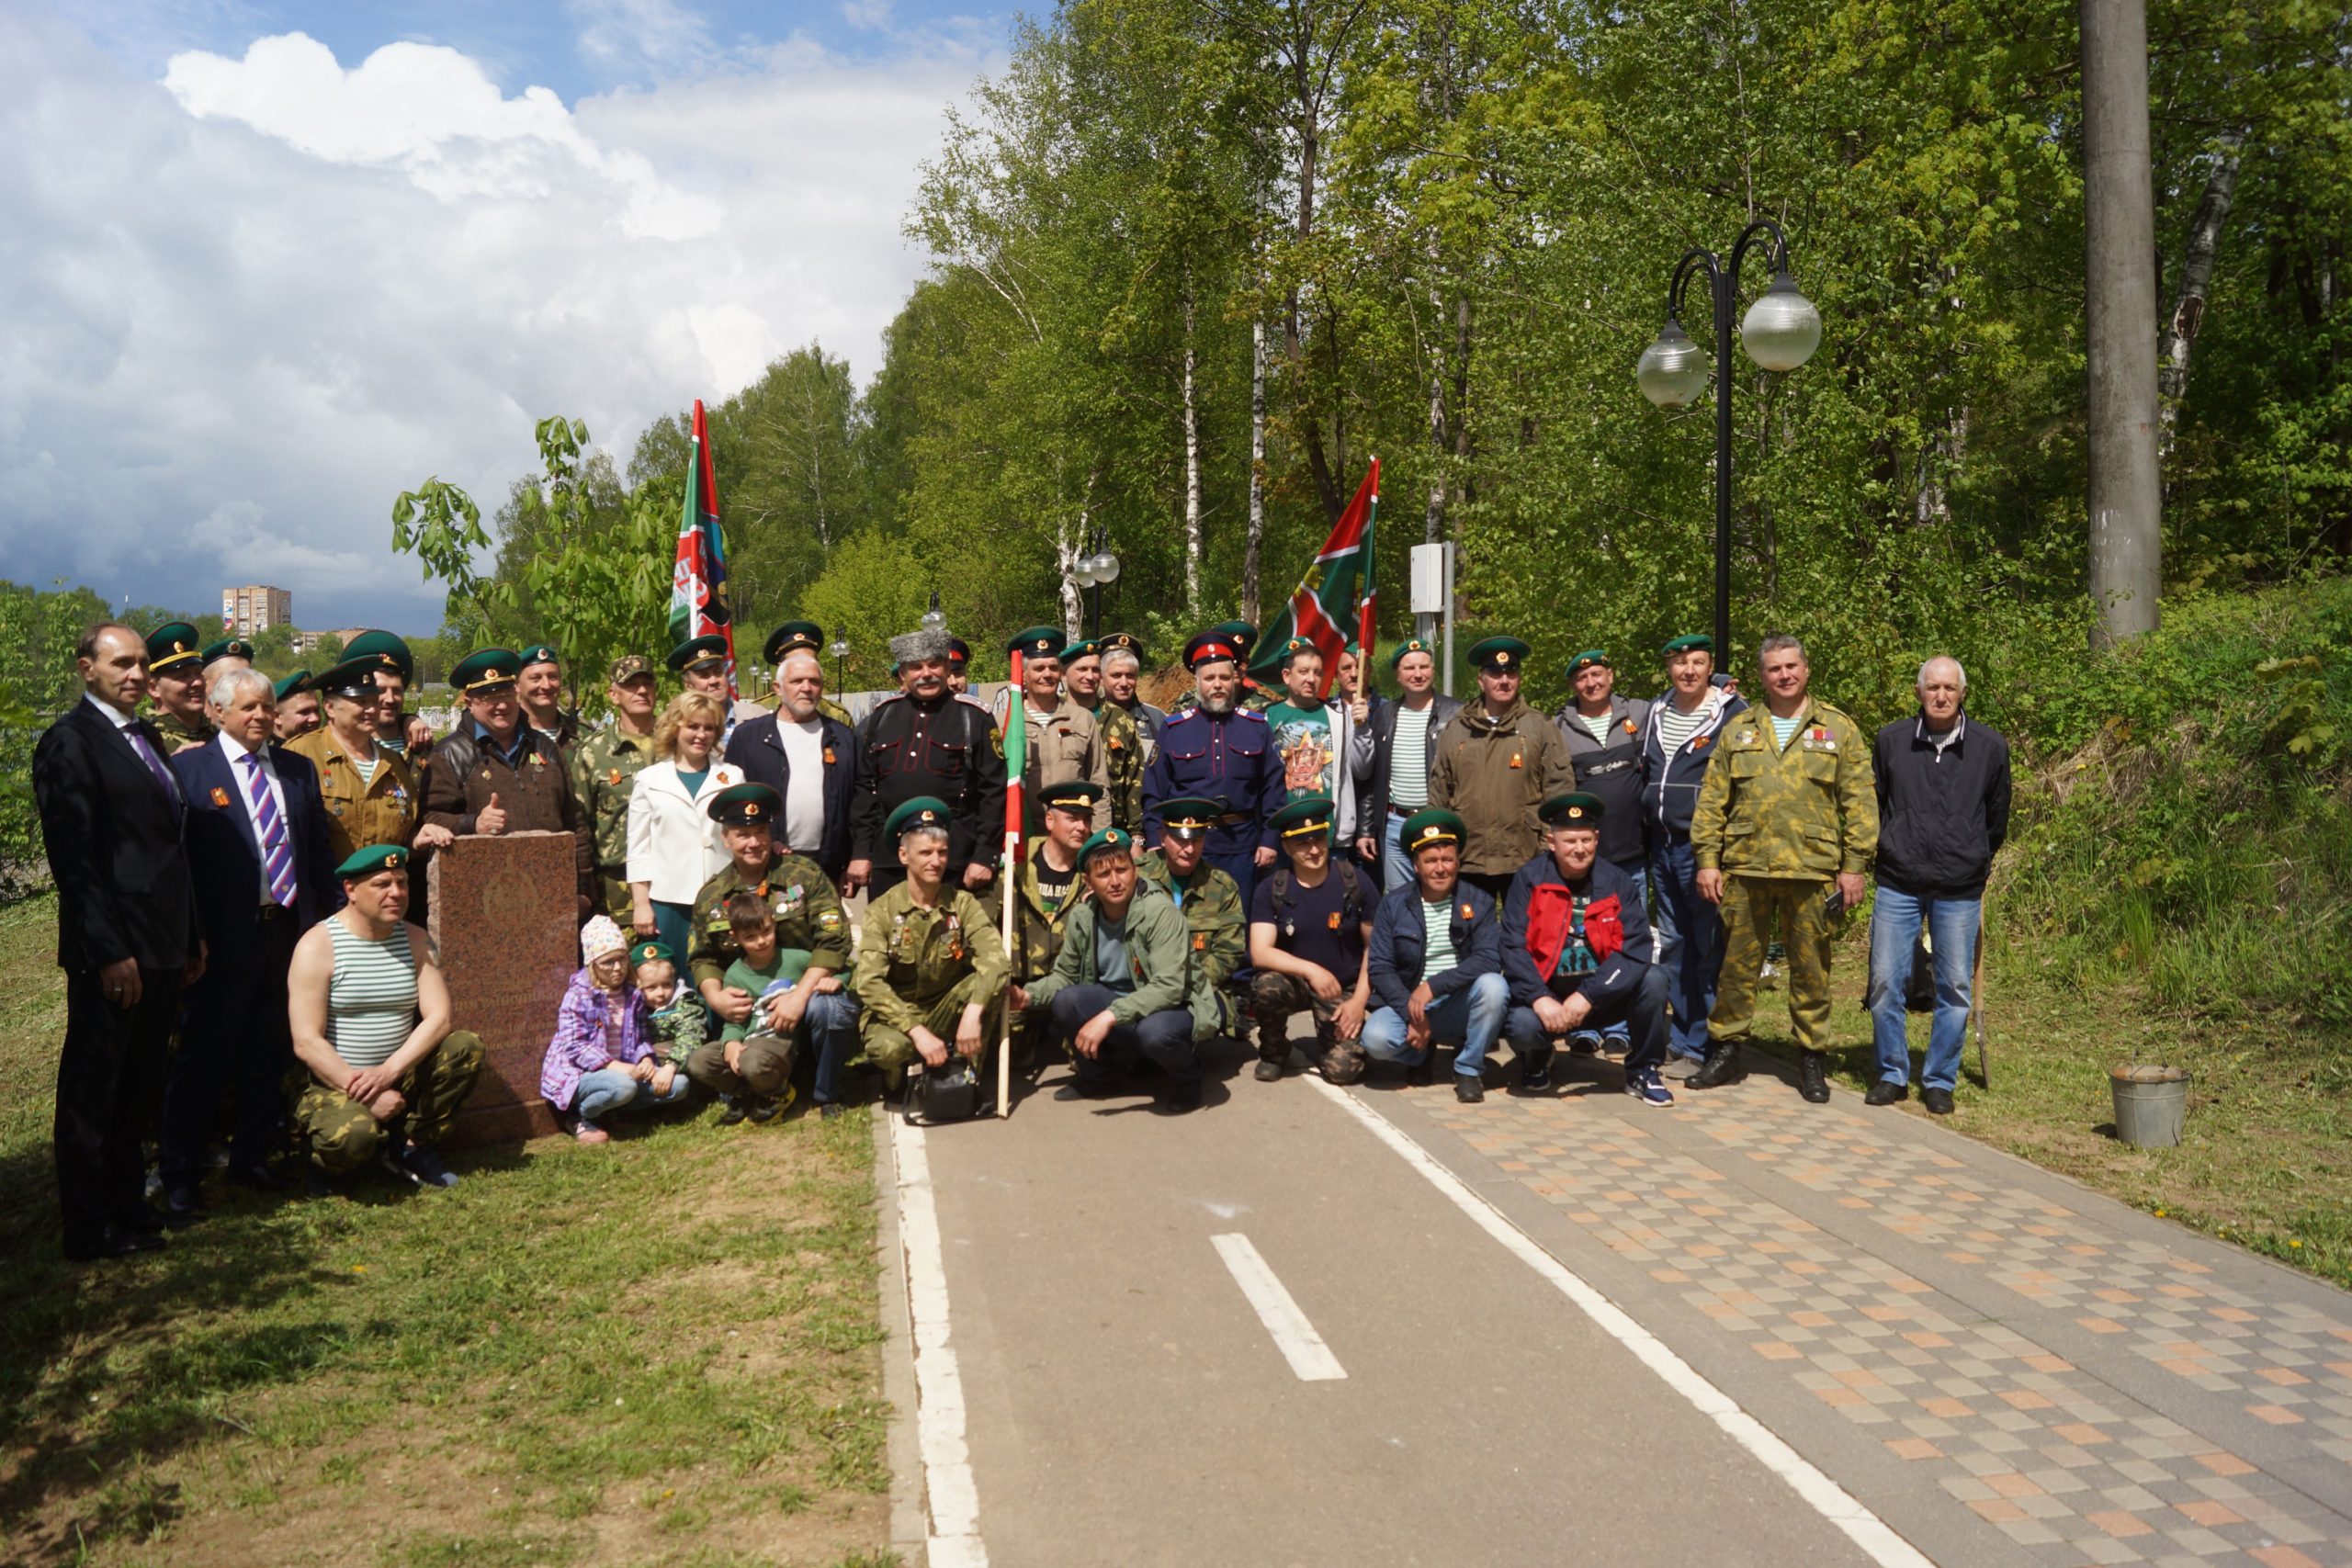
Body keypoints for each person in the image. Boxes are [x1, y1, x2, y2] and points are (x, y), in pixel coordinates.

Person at [34, 622, 205, 1260]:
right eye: (121, 663)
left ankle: (130, 1206)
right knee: (94, 1087)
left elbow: (167, 847)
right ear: (87, 669)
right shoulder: (70, 742)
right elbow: (74, 860)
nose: (136, 674)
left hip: (163, 941)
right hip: (114, 949)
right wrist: (108, 950)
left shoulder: (146, 738)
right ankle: (88, 1222)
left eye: (141, 664)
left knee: (139, 1083)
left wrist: (191, 935)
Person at [159, 665, 336, 1217]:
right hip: (222, 938)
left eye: (266, 706)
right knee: (204, 1054)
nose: (260, 716)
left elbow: (316, 859)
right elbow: (179, 867)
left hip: (286, 932)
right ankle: (180, 1173)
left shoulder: (297, 770)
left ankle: (253, 1156)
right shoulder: (189, 772)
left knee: (270, 1047)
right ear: (217, 712)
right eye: (247, 708)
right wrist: (192, 938)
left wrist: (325, 928)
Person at [1690, 636, 1878, 1103]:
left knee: (1811, 968)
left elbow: (1859, 802)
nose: (1784, 675)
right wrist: (1707, 860)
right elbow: (1713, 800)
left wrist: (1854, 867)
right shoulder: (1738, 730)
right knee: (1736, 965)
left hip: (1812, 868)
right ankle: (1727, 1048)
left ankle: (1812, 1058)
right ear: (1762, 676)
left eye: (1792, 666)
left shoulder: (1837, 729)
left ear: (1807, 669)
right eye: (1774, 669)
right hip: (1746, 866)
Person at [286, 844, 485, 1190]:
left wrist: (388, 1072)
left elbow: (439, 1018)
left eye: (402, 882)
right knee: (353, 1137)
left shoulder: (416, 940)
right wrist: (368, 1092)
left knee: (465, 1047)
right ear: (351, 890)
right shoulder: (317, 946)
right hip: (335, 1080)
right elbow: (306, 1042)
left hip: (393, 1073)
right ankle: (324, 1162)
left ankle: (410, 1147)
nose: (397, 893)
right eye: (382, 884)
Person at [1867, 657, 2011, 1115]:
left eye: (1950, 687)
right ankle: (1892, 1073)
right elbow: (1878, 804)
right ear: (1919, 692)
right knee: (1886, 982)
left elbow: (1997, 818)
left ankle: (1938, 1079)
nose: (1941, 695)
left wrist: (1973, 856)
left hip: (1959, 887)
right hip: (1898, 882)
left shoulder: (1989, 747)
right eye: (1933, 687)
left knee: (1954, 987)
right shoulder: (1891, 741)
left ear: (1962, 693)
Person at [686, 784, 860, 1119]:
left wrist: (800, 996)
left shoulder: (804, 875)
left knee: (830, 1010)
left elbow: (834, 940)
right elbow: (702, 956)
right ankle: (751, 1086)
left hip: (808, 986)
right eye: (742, 834)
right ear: (726, 839)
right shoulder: (711, 896)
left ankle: (826, 1093)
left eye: (761, 831)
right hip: (754, 1004)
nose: (754, 842)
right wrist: (716, 997)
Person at [1498, 794, 1676, 1106]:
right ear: (1551, 842)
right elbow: (1513, 946)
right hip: (1550, 998)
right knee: (1522, 1024)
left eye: (1586, 840)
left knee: (1654, 979)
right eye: (1569, 841)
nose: (1579, 849)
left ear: (1597, 839)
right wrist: (1539, 997)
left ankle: (1643, 1069)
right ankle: (1538, 1058)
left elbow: (1635, 949)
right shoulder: (1529, 879)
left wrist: (1589, 995)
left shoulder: (1617, 881)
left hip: (1602, 997)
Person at [1018, 828, 1211, 1112]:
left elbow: (1169, 988)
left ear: (1135, 871)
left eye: (1122, 870)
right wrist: (1027, 996)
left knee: (1155, 1033)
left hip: (1174, 1008)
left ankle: (1189, 1079)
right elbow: (1065, 976)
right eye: (1104, 875)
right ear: (1088, 882)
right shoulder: (1084, 916)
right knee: (1067, 999)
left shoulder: (1159, 912)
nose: (1115, 881)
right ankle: (1100, 1079)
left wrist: (1109, 1016)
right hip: (1121, 1008)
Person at [1640, 633, 1748, 1076]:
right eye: (1681, 663)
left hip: (1704, 850)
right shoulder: (1657, 711)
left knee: (1707, 948)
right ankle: (1682, 1036)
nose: (1689, 671)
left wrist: (1717, 856)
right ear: (1669, 668)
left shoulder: (1732, 714)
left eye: (1699, 663)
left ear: (1711, 668)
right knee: (1673, 945)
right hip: (1660, 847)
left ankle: (1704, 1043)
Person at [422, 647, 596, 917]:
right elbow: (431, 818)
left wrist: (584, 890)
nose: (501, 705)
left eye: (505, 694)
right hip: (484, 899)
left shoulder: (546, 748)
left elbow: (574, 821)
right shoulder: (449, 755)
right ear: (469, 702)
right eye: (489, 697)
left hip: (552, 894)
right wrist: (472, 824)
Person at [852, 796, 1010, 1094]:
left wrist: (974, 1012)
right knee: (889, 1049)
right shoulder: (882, 911)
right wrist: (918, 1032)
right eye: (925, 852)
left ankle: (963, 1079)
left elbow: (996, 960)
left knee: (989, 985)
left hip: (943, 1007)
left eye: (942, 852)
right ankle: (899, 1077)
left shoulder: (962, 904)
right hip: (898, 1013)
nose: (935, 861)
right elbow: (869, 983)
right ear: (903, 855)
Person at [1363, 809, 1510, 1097]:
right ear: (1416, 865)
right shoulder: (1394, 905)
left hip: (1457, 1001)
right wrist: (1411, 1011)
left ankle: (1468, 1068)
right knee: (1376, 1040)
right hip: (1409, 1001)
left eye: (1447, 860)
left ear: (1458, 862)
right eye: (1431, 861)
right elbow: (1380, 966)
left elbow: (1489, 958)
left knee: (1495, 987)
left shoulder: (1477, 900)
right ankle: (1419, 1055)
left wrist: (1433, 986)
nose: (1440, 868)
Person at [850, 628, 1006, 898]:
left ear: (947, 668)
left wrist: (985, 855)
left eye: (934, 664)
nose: (926, 673)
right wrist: (861, 851)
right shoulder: (882, 717)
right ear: (903, 674)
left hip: (952, 856)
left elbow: (994, 792)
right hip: (890, 857)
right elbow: (865, 790)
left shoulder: (975, 718)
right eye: (916, 667)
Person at [1554, 649, 1652, 1056]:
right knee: (1583, 944)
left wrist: (1721, 685)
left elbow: (1694, 699)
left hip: (1633, 856)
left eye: (1597, 674)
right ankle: (1585, 1026)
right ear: (1573, 685)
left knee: (1625, 945)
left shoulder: (1644, 714)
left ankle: (1622, 1027)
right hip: (1583, 863)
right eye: (1582, 678)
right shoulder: (1558, 727)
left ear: (1610, 674)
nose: (1591, 683)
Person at [1141, 629, 1283, 912]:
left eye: (1224, 677)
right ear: (1196, 682)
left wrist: (1270, 839)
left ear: (1235, 679)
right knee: (1185, 924)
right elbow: (1154, 789)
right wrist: (1156, 840)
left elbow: (1274, 790)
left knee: (1237, 927)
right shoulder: (1174, 729)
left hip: (1243, 848)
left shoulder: (1257, 727)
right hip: (1186, 846)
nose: (1217, 685)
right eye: (1209, 678)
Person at [1430, 636, 1574, 900]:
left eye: (1511, 673)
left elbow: (1559, 789)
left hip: (1526, 855)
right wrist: (1442, 847)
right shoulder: (1457, 729)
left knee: (1524, 937)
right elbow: (1440, 793)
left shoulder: (1540, 726)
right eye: (1495, 673)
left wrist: (1548, 844)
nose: (1504, 680)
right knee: (1472, 938)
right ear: (1481, 680)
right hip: (1469, 856)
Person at [1247, 795, 1373, 1084]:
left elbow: (1374, 947)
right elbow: (1260, 953)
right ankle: (1274, 1051)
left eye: (1318, 839)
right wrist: (1311, 970)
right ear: (1287, 847)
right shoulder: (1272, 889)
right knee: (1267, 987)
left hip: (1342, 987)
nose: (1314, 850)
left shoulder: (1355, 881)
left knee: (1343, 1072)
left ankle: (1342, 1038)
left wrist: (1358, 1001)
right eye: (1303, 843)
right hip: (1300, 983)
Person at [288, 658, 449, 875]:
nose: (372, 709)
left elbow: (402, 833)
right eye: (361, 702)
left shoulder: (393, 763)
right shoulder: (301, 754)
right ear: (330, 707)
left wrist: (417, 839)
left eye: (374, 701)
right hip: (326, 900)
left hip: (383, 896)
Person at [541, 916, 691, 1143]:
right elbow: (575, 1046)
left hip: (625, 1072)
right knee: (624, 1086)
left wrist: (646, 1060)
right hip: (581, 1074)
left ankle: (615, 1111)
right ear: (592, 963)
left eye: (622, 959)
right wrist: (615, 1067)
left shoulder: (632, 994)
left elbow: (640, 1037)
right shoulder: (579, 995)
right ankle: (580, 1116)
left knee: (679, 1085)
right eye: (608, 962)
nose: (618, 968)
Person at [627, 691, 746, 959]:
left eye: (708, 728)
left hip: (722, 895)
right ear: (674, 728)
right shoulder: (649, 779)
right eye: (693, 726)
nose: (701, 735)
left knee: (721, 977)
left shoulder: (732, 776)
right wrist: (641, 904)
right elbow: (638, 848)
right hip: (670, 901)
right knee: (676, 983)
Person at [726, 643, 858, 886]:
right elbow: (731, 799)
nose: (806, 688)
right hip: (765, 860)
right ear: (777, 688)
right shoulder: (748, 737)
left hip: (827, 864)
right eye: (797, 681)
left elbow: (858, 801)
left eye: (814, 681)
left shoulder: (842, 737)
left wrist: (856, 856)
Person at [684, 891, 811, 1123]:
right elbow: (736, 1019)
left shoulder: (796, 958)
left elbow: (833, 969)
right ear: (736, 938)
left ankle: (778, 1092)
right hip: (747, 1041)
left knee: (751, 1062)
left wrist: (830, 982)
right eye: (751, 937)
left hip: (778, 1042)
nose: (761, 941)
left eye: (766, 932)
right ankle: (743, 1092)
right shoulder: (734, 973)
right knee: (698, 1061)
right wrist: (731, 1043)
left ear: (773, 923)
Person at [997, 780, 1099, 1060]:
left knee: (1089, 1057)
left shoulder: (1095, 871)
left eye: (1086, 820)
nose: (1081, 827)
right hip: (1021, 987)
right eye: (1072, 819)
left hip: (1070, 986)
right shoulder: (1015, 864)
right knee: (1012, 1056)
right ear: (1050, 820)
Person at [1134, 796, 1248, 1038]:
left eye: (1197, 840)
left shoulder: (1221, 886)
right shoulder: (1136, 877)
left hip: (1202, 990)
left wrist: (1178, 987)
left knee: (1160, 1033)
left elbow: (1229, 953)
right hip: (1142, 989)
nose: (1190, 849)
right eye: (1181, 839)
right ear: (1163, 837)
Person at [1358, 638, 1464, 889]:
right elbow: (1373, 779)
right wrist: (1366, 829)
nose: (1418, 674)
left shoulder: (1456, 714)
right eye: (1409, 668)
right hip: (1394, 826)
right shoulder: (1384, 715)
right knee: (1401, 901)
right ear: (1397, 674)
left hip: (1438, 821)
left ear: (1433, 671)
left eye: (1424, 667)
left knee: (1440, 896)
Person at [570, 654, 663, 920]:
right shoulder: (594, 753)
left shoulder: (677, 742)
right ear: (613, 694)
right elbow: (580, 823)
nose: (642, 690)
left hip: (673, 881)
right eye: (632, 685)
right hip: (614, 890)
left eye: (648, 683)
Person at [995, 627, 1110, 835]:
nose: (1047, 675)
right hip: (1022, 836)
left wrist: (1100, 839)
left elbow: (1098, 781)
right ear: (1023, 674)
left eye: (1053, 668)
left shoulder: (1082, 719)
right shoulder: (1005, 723)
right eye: (1039, 668)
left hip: (1073, 835)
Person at [1260, 639, 1365, 845]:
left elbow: (1361, 769)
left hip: (1328, 833)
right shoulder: (1267, 717)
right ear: (1287, 676)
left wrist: (1363, 729)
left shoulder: (1340, 717)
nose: (1311, 679)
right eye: (1304, 671)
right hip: (1282, 832)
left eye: (1317, 673)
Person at [1061, 639, 1147, 831]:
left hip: (1110, 830)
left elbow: (1135, 783)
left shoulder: (1120, 720)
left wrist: (1137, 834)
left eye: (1095, 670)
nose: (1090, 676)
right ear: (1064, 674)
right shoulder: (1052, 716)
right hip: (1061, 828)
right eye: (1082, 670)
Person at [343, 630, 435, 761]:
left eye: (396, 690)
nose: (390, 699)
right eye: (381, 690)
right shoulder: (347, 747)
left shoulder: (422, 747)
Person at [631, 939, 707, 1093]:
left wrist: (670, 1066)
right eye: (651, 988)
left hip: (675, 1063)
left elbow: (690, 1038)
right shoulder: (633, 1007)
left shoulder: (685, 1003)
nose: (660, 993)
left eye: (666, 985)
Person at [668, 633, 766, 745]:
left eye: (718, 672)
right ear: (689, 685)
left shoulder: (758, 715)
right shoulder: (679, 727)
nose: (714, 681)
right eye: (704, 675)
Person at [761, 621, 857, 728]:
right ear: (781, 667)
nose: (804, 667)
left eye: (809, 661)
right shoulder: (759, 710)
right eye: (796, 662)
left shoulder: (837, 716)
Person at [143, 620, 214, 751]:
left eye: (198, 673)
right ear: (153, 688)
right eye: (183, 676)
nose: (197, 682)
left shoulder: (220, 737)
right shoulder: (145, 742)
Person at [1099, 632, 1166, 743]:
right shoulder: (1088, 717)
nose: (1124, 683)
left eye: (1130, 675)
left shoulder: (1157, 719)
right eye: (1116, 675)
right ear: (1101, 678)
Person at [516, 643, 579, 753]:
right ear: (517, 685)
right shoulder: (505, 737)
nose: (546, 685)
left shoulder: (581, 734)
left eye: (552, 677)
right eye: (535, 678)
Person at [273, 671, 321, 739]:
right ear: (277, 717)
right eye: (305, 712)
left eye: (317, 710)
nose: (315, 718)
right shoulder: (261, 749)